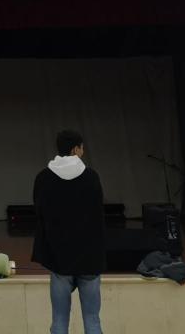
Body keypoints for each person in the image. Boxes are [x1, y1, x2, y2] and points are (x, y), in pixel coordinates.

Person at [32, 130, 106, 334]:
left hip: (59, 257)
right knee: (92, 320)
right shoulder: (91, 177)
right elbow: (98, 214)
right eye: (82, 148)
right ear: (75, 149)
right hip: (89, 257)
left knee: (59, 320)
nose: (83, 151)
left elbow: (39, 213)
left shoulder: (43, 178)